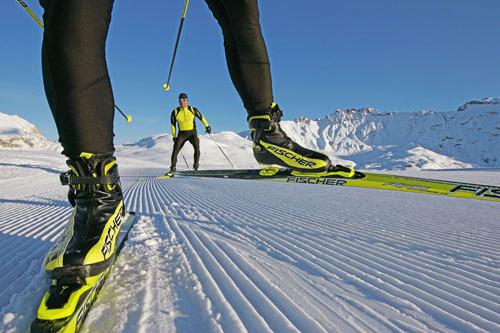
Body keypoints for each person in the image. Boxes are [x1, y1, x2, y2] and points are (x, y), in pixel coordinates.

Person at [37, 0, 353, 316]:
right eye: (184, 98)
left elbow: (199, 118)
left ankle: (266, 131)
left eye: (186, 98)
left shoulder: (191, 108)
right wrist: (173, 129)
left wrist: (204, 125)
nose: (185, 100)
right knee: (73, 8)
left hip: (193, 133)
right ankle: (97, 187)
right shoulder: (177, 111)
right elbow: (175, 123)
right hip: (180, 133)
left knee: (240, 9)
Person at [168, 93, 211, 173]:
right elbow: (173, 125)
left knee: (197, 147)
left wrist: (207, 126)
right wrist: (174, 136)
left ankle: (195, 165)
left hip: (192, 133)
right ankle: (173, 168)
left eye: (184, 100)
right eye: (180, 100)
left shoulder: (192, 109)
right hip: (182, 134)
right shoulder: (175, 112)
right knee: (175, 150)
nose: (182, 102)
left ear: (187, 101)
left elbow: (201, 117)